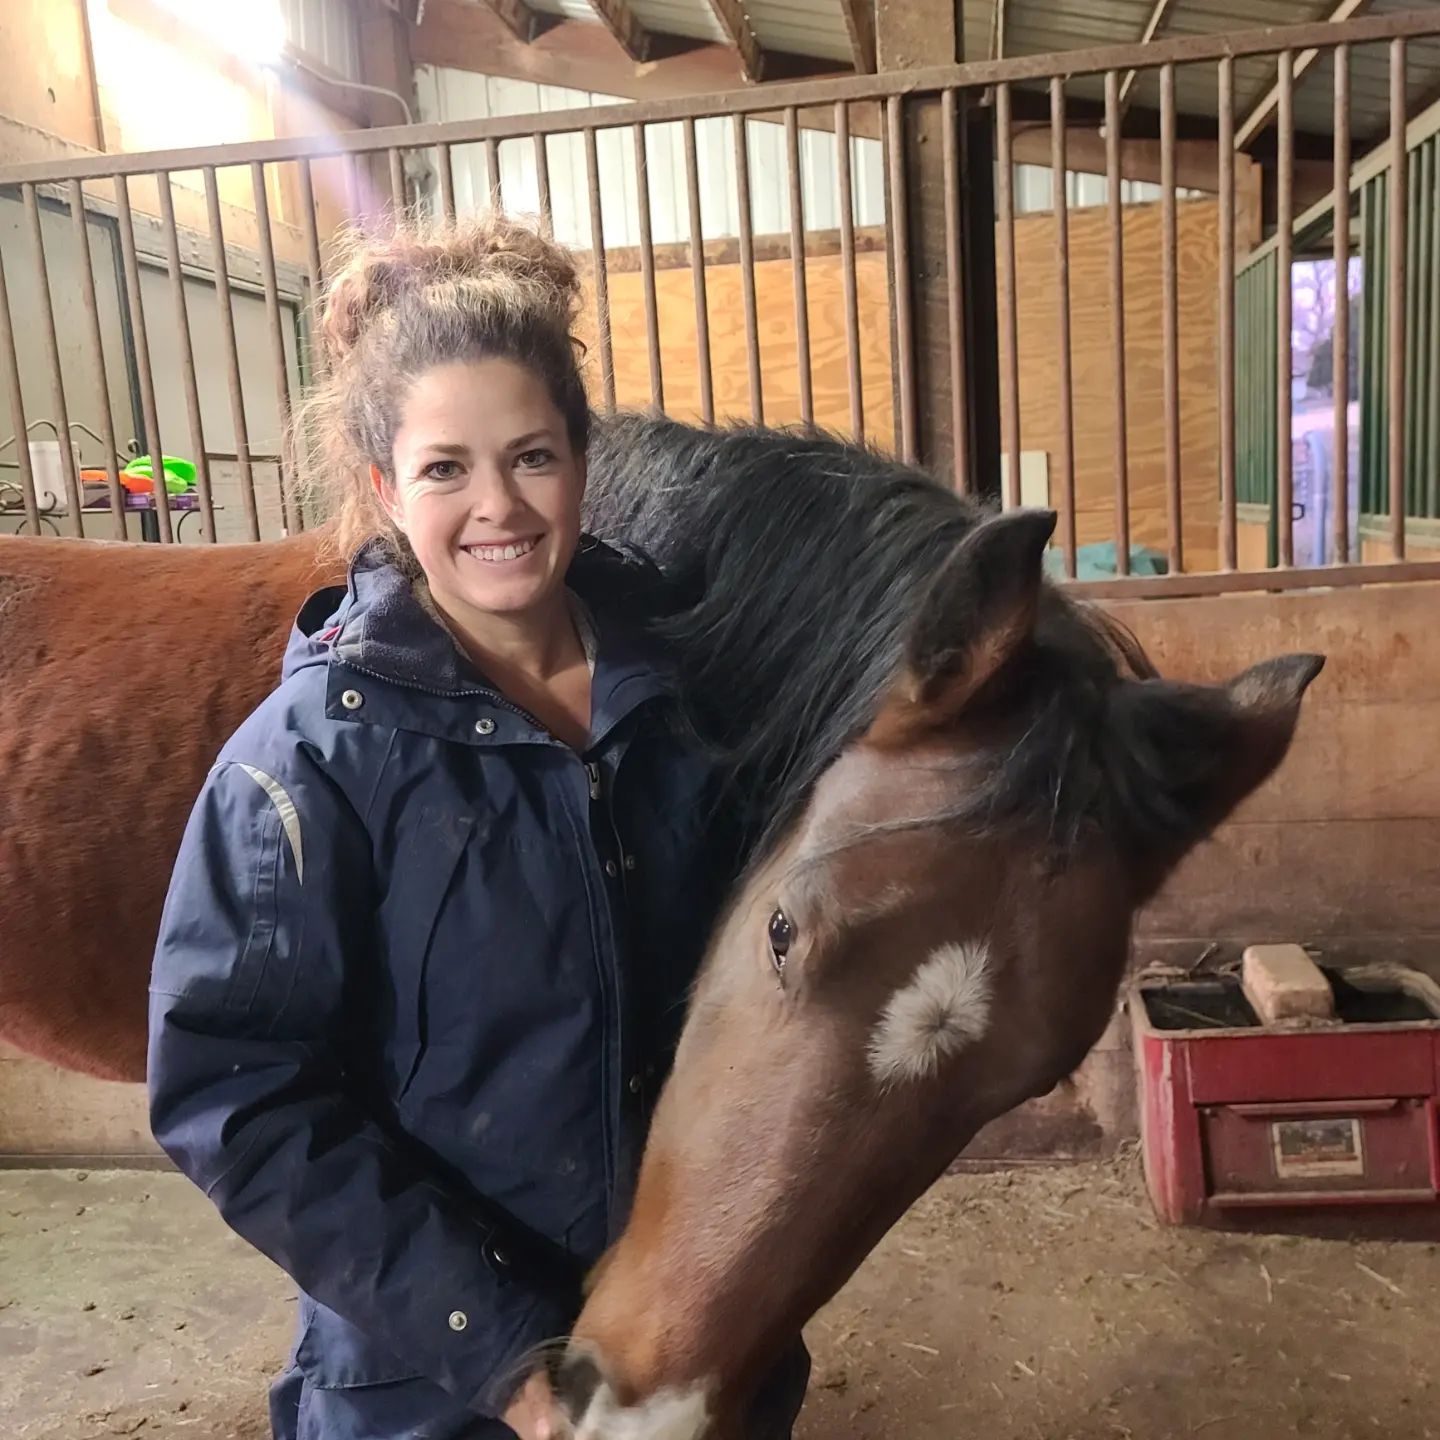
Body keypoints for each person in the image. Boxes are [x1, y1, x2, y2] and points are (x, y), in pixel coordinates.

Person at [147, 216, 806, 1440]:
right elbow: (233, 1093)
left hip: (691, 1345)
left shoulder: (691, 707)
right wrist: (506, 1357)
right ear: (388, 488)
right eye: (446, 468)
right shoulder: (305, 767)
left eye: (532, 457)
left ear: (582, 459)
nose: (497, 506)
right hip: (429, 1392)